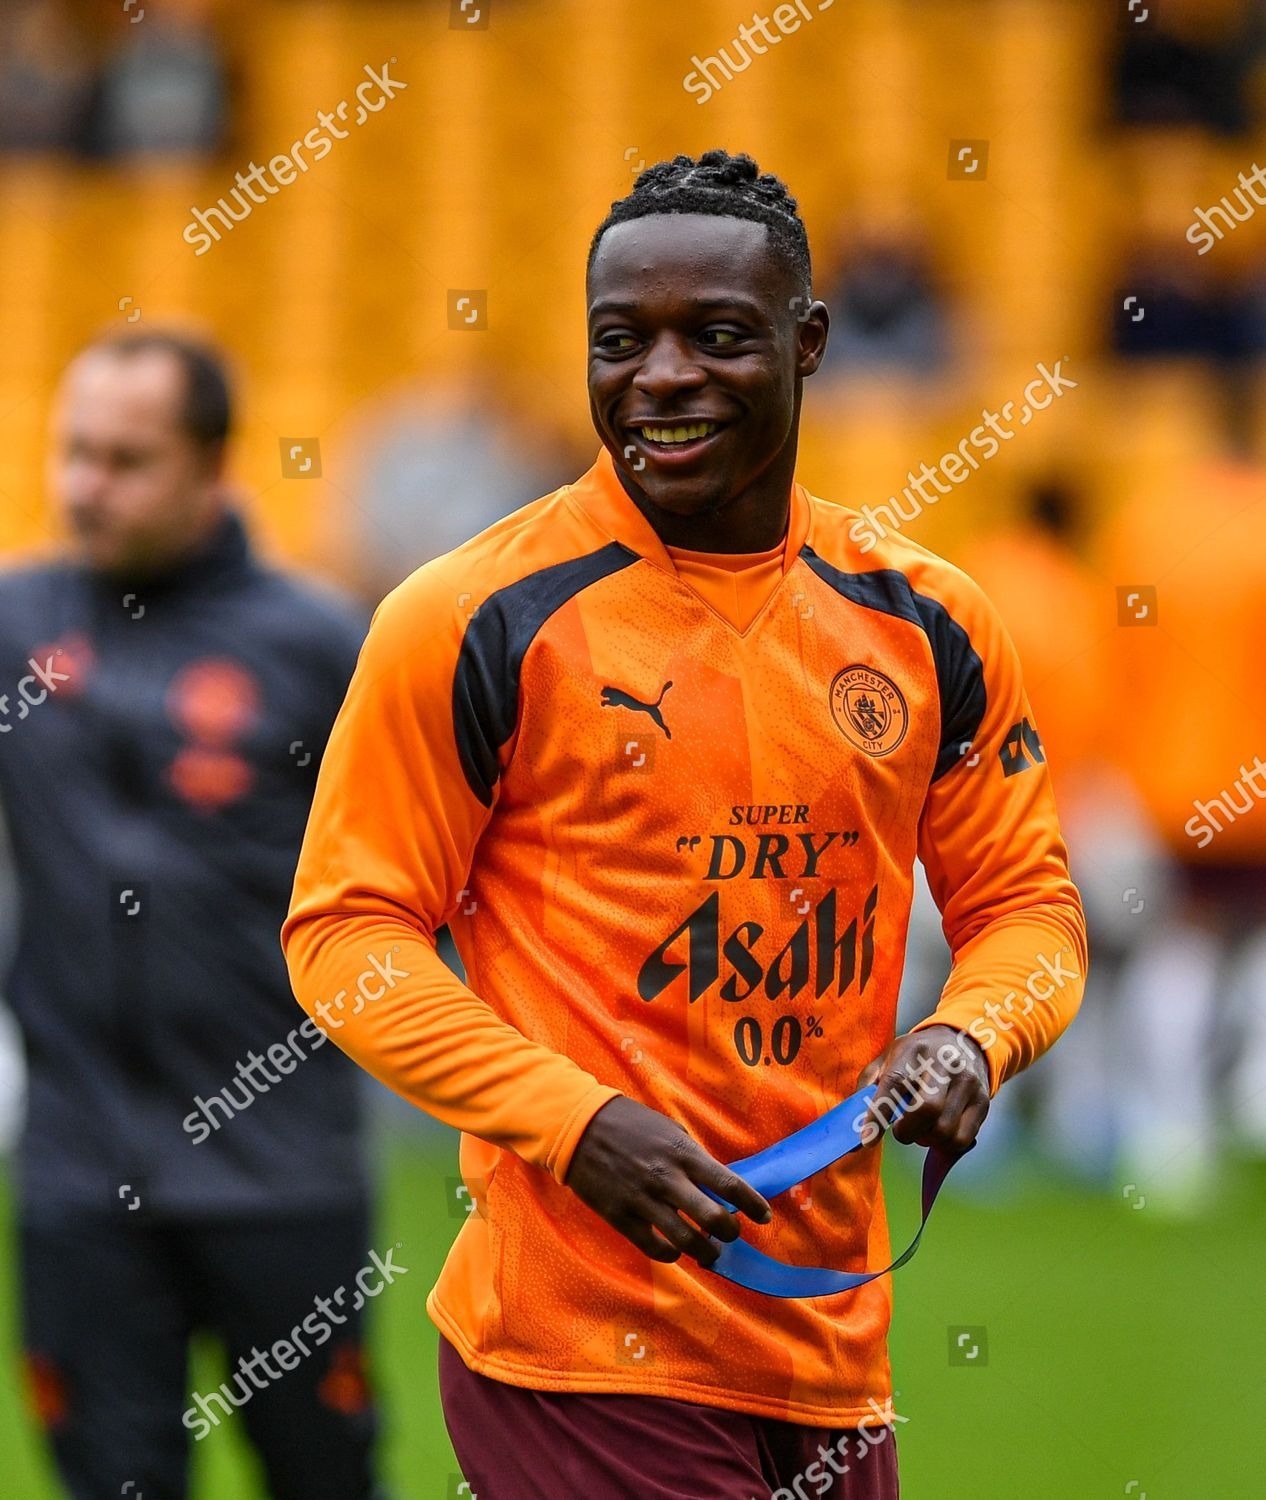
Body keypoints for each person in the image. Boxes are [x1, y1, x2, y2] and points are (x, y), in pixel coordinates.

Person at [284, 149, 1086, 1499]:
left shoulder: (924, 618)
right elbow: (344, 934)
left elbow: (1025, 909)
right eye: (621, 341)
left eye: (715, 336)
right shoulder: (468, 618)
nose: (659, 377)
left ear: (807, 341)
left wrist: (971, 1033)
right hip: (578, 1352)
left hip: (825, 1348)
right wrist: (573, 1121)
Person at [1, 330, 382, 1498]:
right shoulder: (18, 624)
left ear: (213, 466)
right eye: (73, 452)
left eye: (126, 460)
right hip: (79, 1177)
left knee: (325, 1483)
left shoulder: (321, 646)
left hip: (280, 1172)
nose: (84, 486)